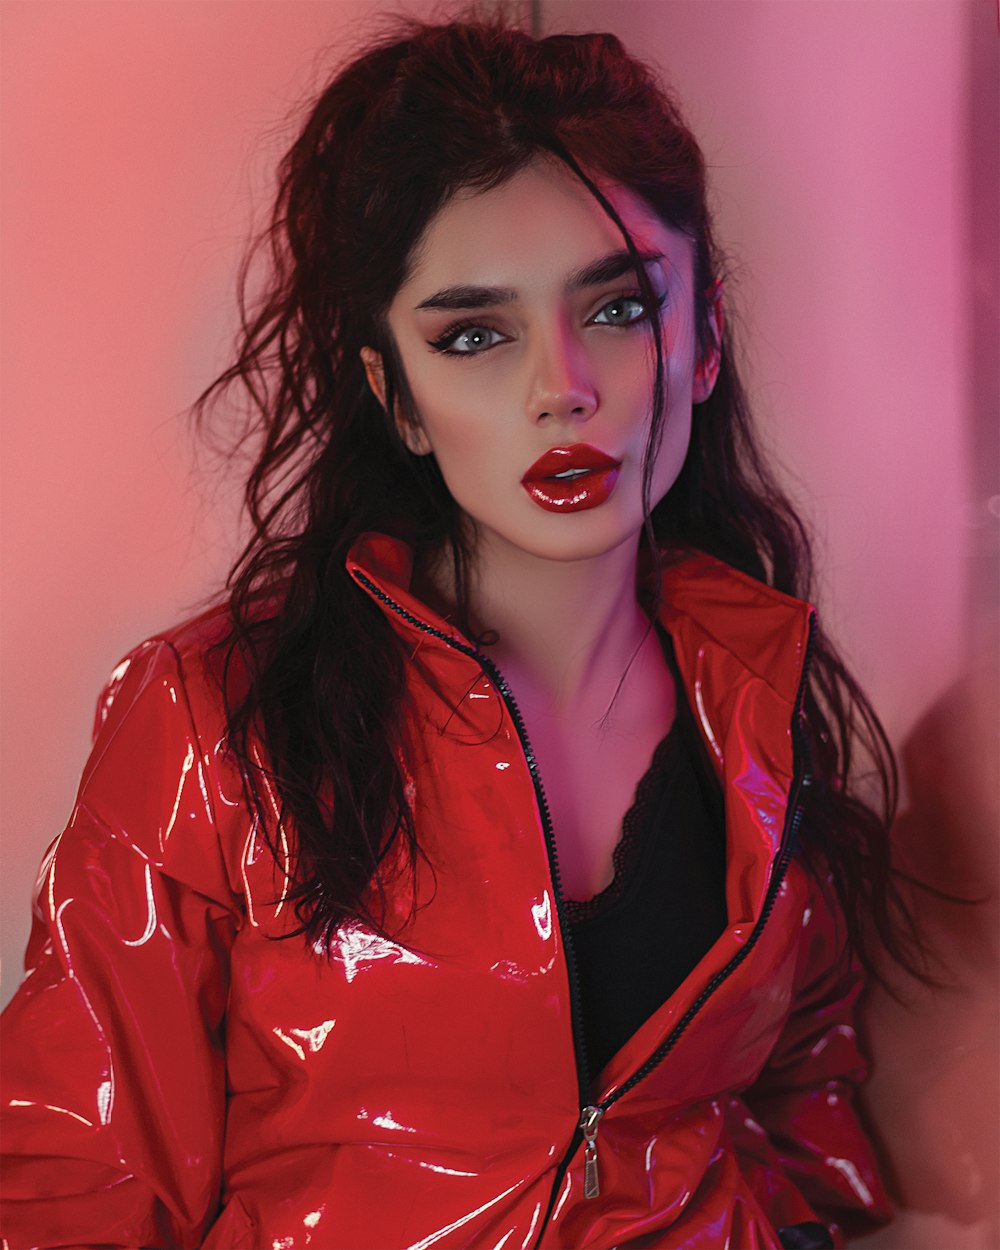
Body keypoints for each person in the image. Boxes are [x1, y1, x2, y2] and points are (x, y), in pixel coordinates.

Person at [0, 17, 924, 1249]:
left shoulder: (754, 697)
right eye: (474, 335)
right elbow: (75, 1186)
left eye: (615, 307)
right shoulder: (211, 720)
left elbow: (806, 1102)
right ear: (399, 400)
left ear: (700, 339)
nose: (562, 386)